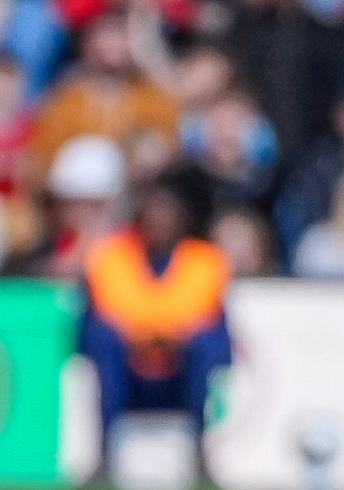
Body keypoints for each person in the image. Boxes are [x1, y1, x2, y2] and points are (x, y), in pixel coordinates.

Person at [79, 169, 233, 449]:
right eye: (153, 210)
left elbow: (204, 322)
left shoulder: (206, 260)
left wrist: (163, 334)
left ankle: (201, 450)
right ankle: (103, 451)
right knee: (100, 337)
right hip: (128, 361)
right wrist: (152, 333)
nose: (159, 219)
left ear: (183, 217)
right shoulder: (112, 255)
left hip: (182, 363)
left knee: (209, 344)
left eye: (167, 210)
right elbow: (108, 316)